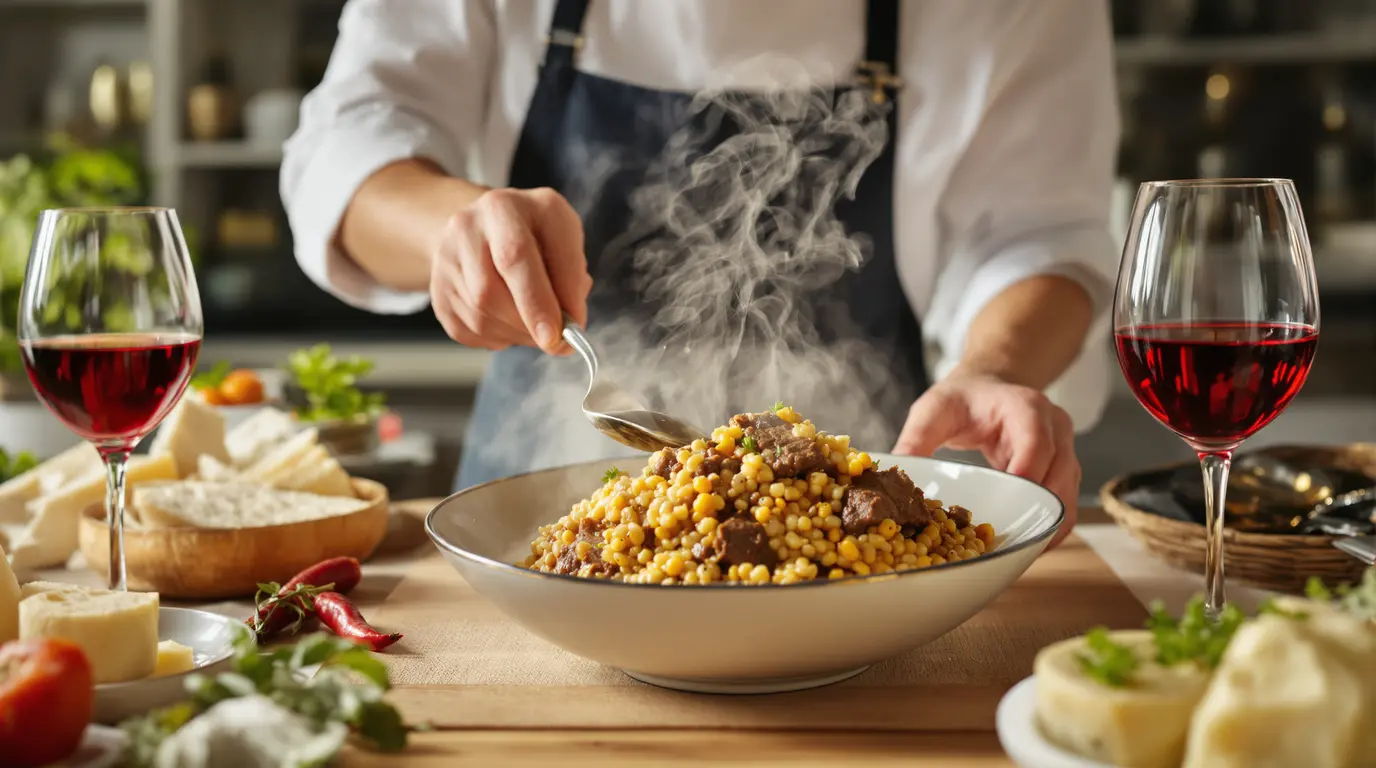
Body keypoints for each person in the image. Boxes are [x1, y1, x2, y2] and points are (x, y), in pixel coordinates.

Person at [281, 0, 1121, 546]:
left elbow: (1038, 230)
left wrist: (994, 369)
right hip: (530, 517)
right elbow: (346, 146)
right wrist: (452, 230)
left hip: (867, 531)